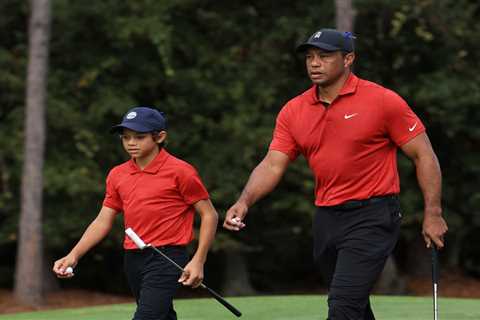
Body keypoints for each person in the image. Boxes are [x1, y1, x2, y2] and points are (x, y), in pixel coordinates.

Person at [223, 28, 448, 320]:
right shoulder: (294, 110)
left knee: (342, 305)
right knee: (353, 305)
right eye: (310, 57)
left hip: (373, 215)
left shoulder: (382, 101)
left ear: (348, 59)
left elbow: (424, 155)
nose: (314, 63)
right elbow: (272, 164)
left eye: (325, 56)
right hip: (327, 218)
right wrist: (245, 200)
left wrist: (433, 212)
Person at [53, 106, 218, 320]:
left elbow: (209, 215)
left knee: (147, 316)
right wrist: (73, 255)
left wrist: (199, 260)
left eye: (139, 137)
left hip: (167, 257)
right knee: (161, 316)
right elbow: (103, 221)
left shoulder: (181, 171)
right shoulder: (117, 175)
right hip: (133, 258)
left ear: (160, 137)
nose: (131, 143)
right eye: (126, 138)